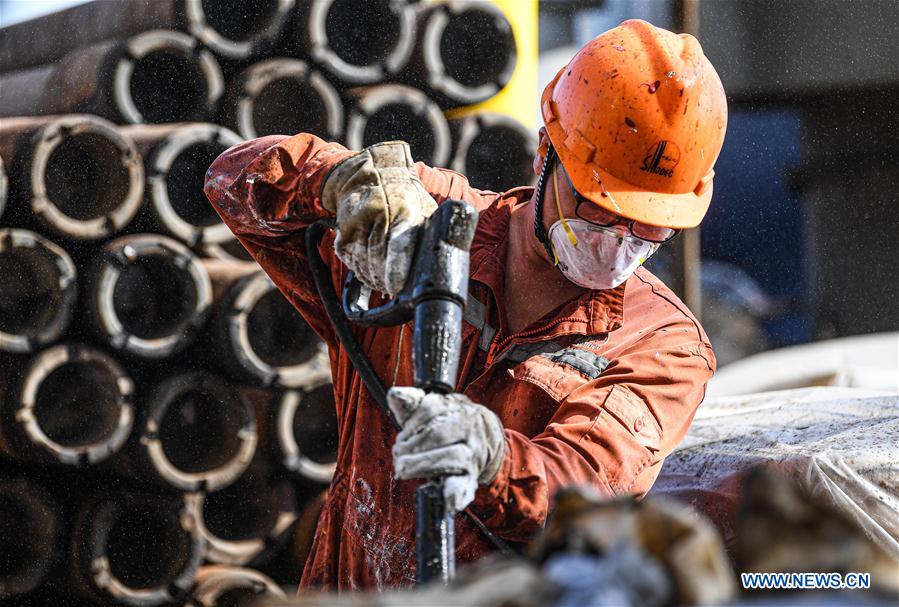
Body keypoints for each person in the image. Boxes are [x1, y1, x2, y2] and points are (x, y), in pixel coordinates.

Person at [204, 19, 727, 591]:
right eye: (600, 207)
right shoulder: (426, 222)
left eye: (651, 228)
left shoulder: (665, 347)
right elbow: (234, 180)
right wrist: (336, 183)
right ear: (545, 154)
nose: (621, 241)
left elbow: (588, 489)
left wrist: (492, 458)